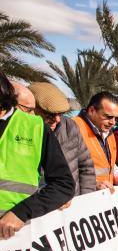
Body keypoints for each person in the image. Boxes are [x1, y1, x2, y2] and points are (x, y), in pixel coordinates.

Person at [0, 72, 74, 239]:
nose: (57, 120)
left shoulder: (36, 128)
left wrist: (21, 212)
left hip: (13, 241)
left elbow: (64, 185)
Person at [29, 82, 96, 196]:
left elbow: (86, 166)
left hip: (73, 202)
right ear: (32, 110)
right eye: (50, 114)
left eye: (61, 114)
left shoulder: (70, 126)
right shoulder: (20, 130)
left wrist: (86, 198)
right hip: (37, 204)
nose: (57, 119)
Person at [74, 91, 118, 196]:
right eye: (108, 116)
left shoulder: (108, 133)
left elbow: (109, 166)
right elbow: (65, 170)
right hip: (81, 198)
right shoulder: (73, 127)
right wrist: (94, 184)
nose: (113, 122)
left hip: (102, 198)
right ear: (92, 110)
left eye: (116, 118)